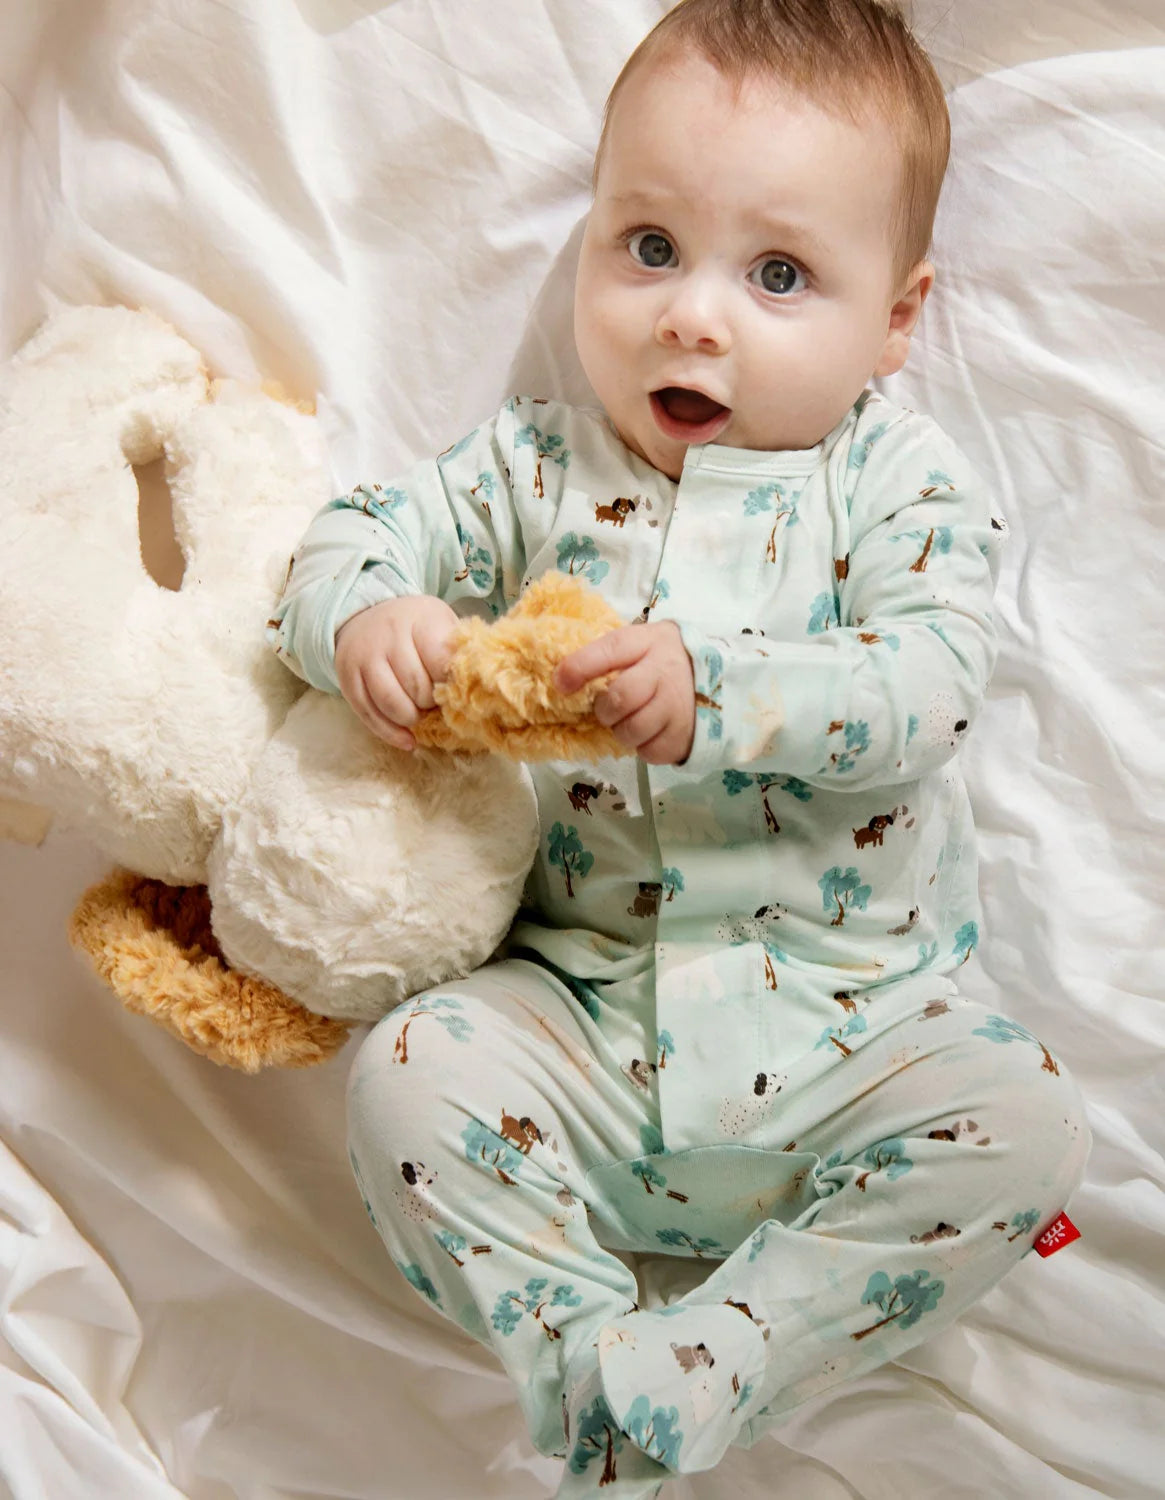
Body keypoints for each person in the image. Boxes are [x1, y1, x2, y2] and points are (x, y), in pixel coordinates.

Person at [268, 2, 1090, 1493]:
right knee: (405, 1075)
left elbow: (930, 683)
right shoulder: (530, 467)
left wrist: (721, 692)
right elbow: (345, 539)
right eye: (649, 246)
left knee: (1027, 1124)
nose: (692, 317)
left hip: (851, 1036)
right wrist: (363, 617)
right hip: (577, 1025)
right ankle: (587, 1366)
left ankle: (716, 1362)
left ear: (895, 320)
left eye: (777, 275)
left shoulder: (889, 482)